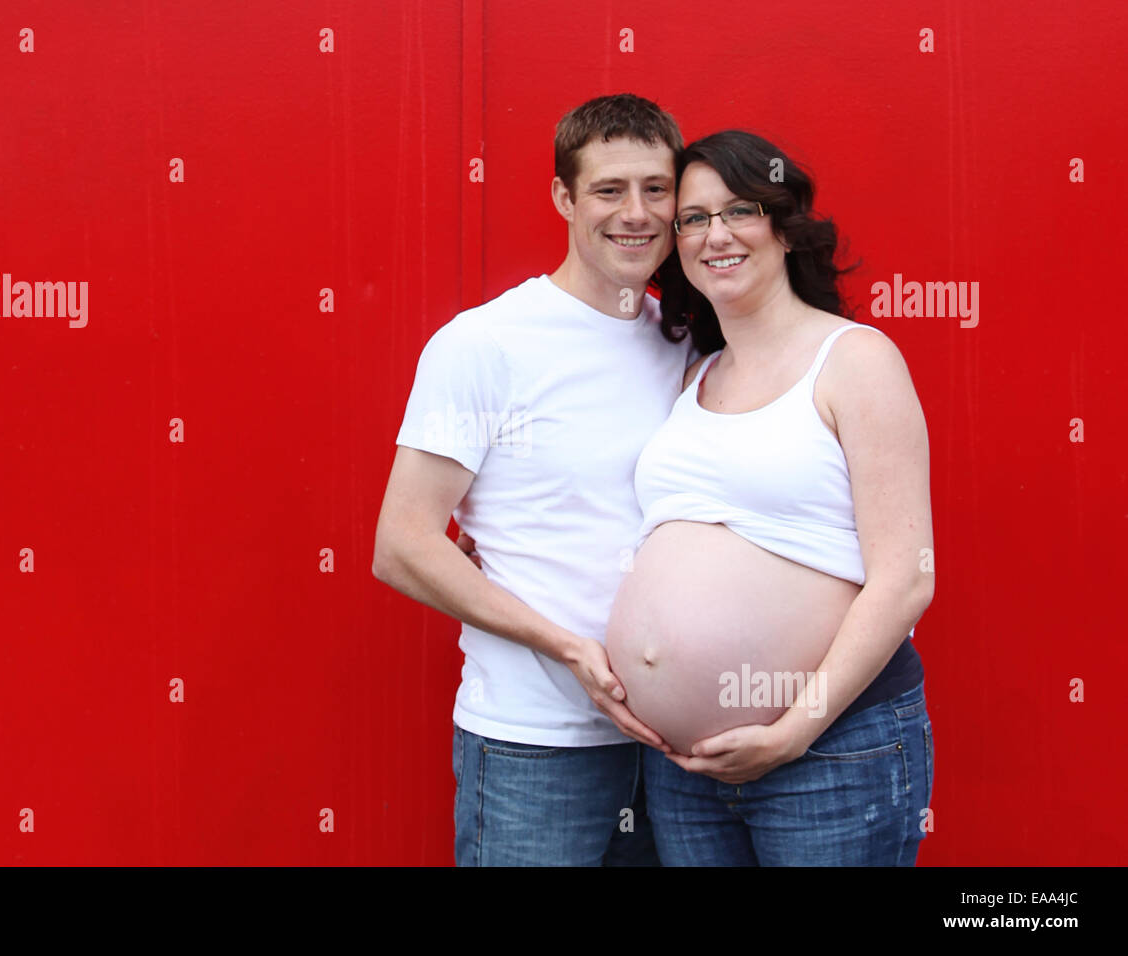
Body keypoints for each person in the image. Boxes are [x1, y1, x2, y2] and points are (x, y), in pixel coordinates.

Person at [372, 94, 697, 866]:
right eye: (609, 190)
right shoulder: (486, 345)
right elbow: (403, 544)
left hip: (680, 749)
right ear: (563, 198)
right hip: (537, 746)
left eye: (657, 189)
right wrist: (568, 648)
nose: (637, 213)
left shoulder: (684, 340)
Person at [604, 129, 935, 865]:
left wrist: (796, 728)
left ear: (784, 229)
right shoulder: (692, 379)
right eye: (692, 218)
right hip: (683, 770)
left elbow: (906, 575)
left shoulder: (854, 360)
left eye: (740, 210)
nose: (714, 234)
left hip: (828, 756)